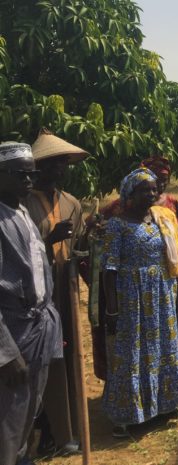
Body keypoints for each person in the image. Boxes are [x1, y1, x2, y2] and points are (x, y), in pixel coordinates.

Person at [101, 168, 178, 438]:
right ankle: (126, 416)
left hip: (163, 293)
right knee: (132, 352)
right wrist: (112, 308)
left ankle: (168, 404)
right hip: (132, 297)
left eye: (154, 189)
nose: (152, 193)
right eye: (144, 190)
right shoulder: (118, 225)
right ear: (130, 193)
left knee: (166, 345)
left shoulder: (163, 219)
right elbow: (109, 269)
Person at [22, 130, 88, 456]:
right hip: (33, 294)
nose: (58, 171)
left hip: (64, 288)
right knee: (38, 360)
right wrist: (48, 242)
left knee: (65, 358)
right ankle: (39, 430)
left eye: (62, 165)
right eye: (51, 165)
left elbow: (80, 247)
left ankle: (64, 428)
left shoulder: (72, 203)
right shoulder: (22, 205)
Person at [0, 142, 62, 465]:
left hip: (37, 328)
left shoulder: (22, 212)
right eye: (19, 174)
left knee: (28, 411)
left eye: (31, 174)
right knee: (7, 418)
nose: (28, 181)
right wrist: (7, 354)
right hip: (12, 332)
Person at [100, 154, 178, 218]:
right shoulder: (123, 205)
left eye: (164, 180)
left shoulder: (172, 203)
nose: (161, 184)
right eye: (157, 180)